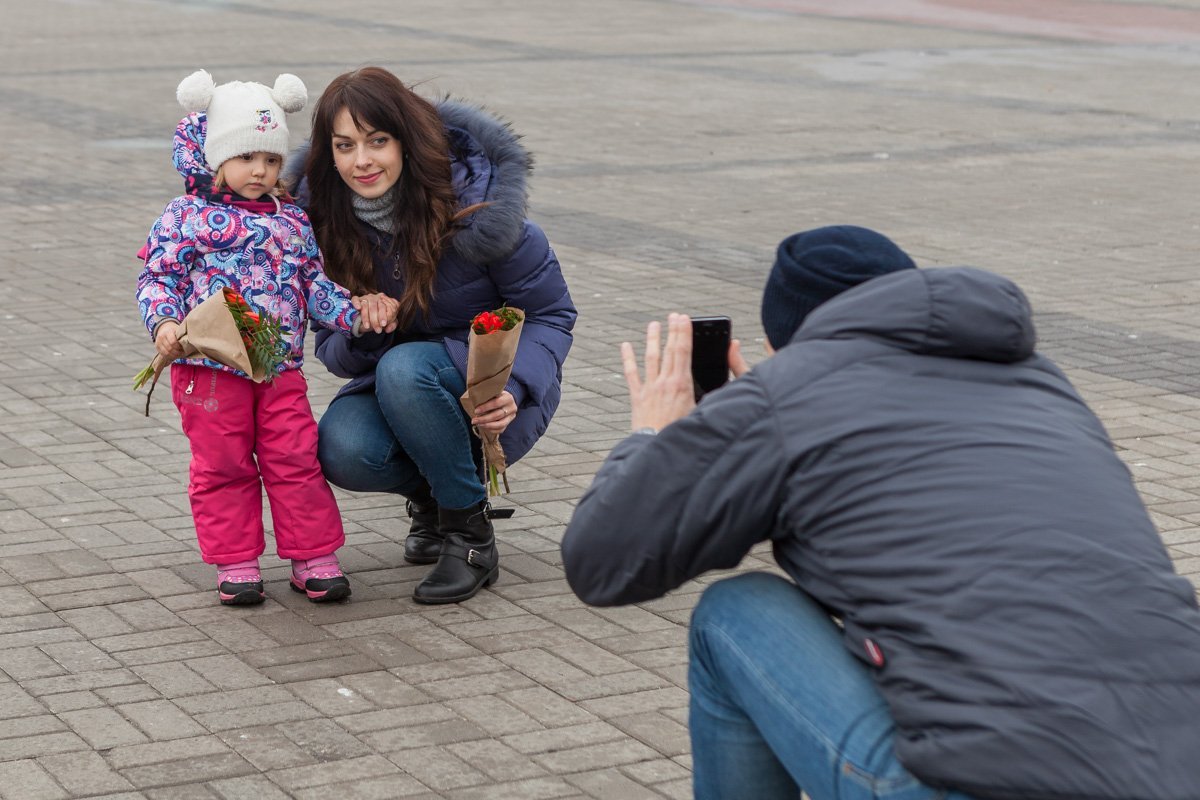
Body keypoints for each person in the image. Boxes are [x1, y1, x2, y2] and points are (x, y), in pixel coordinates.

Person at [561, 225, 1200, 800]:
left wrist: (654, 437)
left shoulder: (784, 398)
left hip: (983, 781)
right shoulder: (1042, 382)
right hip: (1178, 767)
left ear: (784, 340)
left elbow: (601, 564)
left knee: (735, 611)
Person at [285, 66, 576, 606]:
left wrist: (516, 388)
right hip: (400, 391)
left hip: (490, 392)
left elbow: (551, 314)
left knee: (406, 368)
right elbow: (332, 351)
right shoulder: (322, 232)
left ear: (406, 140)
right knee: (342, 448)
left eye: (377, 141)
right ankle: (436, 501)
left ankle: (470, 539)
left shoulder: (480, 210)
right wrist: (362, 324)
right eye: (345, 146)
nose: (361, 160)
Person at [137, 70, 399, 607]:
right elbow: (158, 278)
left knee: (295, 458)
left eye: (272, 159)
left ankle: (313, 555)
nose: (260, 170)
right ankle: (235, 560)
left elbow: (312, 284)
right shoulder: (185, 217)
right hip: (209, 370)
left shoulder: (291, 220)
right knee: (223, 465)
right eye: (245, 157)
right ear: (215, 157)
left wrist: (352, 314)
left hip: (278, 369)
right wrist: (164, 323)